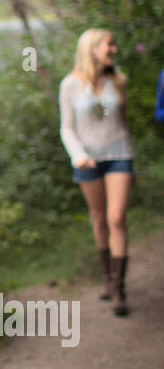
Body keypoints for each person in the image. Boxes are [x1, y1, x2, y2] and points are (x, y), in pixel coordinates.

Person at [59, 28, 133, 316]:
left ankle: (119, 287)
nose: (114, 49)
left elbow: (123, 123)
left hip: (119, 156)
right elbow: (66, 127)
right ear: (91, 49)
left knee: (117, 218)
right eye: (109, 44)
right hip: (87, 160)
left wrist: (130, 156)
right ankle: (106, 276)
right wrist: (78, 155)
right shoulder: (70, 85)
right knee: (100, 218)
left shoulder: (119, 81)